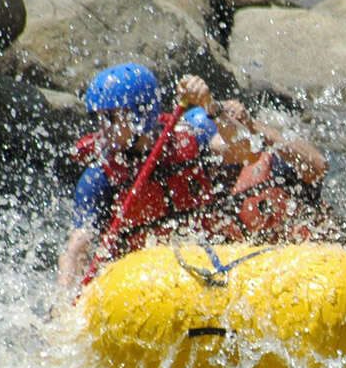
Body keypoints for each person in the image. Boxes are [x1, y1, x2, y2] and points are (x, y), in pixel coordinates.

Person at [56, 63, 330, 290]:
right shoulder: (99, 178)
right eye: (99, 119)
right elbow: (78, 247)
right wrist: (64, 306)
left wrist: (212, 107)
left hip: (209, 257)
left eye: (111, 118)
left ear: (140, 116)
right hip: (143, 276)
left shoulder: (188, 139)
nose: (102, 129)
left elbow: (248, 153)